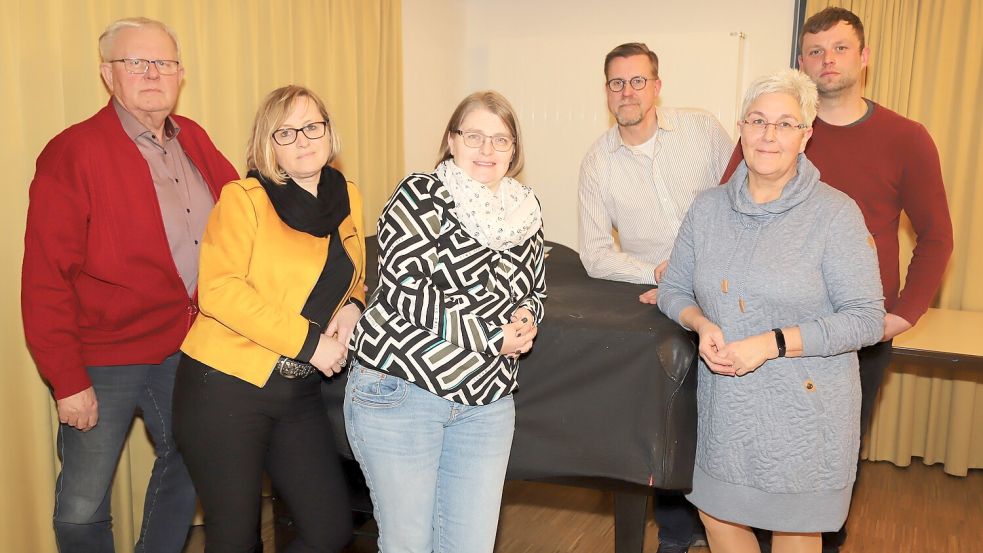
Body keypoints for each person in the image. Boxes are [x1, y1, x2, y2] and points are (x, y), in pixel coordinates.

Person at [720, 8, 954, 551]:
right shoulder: (774, 131)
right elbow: (725, 213)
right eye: (816, 51)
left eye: (840, 48)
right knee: (754, 454)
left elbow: (937, 236)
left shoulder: (906, 137)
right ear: (801, 61)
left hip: (853, 334)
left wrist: (903, 312)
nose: (827, 61)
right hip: (762, 331)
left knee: (828, 464)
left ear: (864, 56)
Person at [21, 17, 238, 553]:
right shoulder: (73, 152)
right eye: (134, 62)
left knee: (189, 465)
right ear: (107, 74)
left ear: (180, 74)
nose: (151, 73)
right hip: (101, 357)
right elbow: (45, 278)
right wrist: (67, 380)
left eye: (163, 62)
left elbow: (244, 213)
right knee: (82, 503)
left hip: (186, 347)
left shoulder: (196, 141)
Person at [658, 69, 885, 553]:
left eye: (785, 124)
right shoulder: (707, 208)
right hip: (726, 409)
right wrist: (700, 324)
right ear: (741, 128)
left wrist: (772, 343)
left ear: (806, 135)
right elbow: (673, 288)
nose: (768, 134)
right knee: (717, 519)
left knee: (795, 534)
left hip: (805, 412)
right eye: (758, 120)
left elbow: (865, 317)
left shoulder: (835, 214)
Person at [346, 91, 546, 553]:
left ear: (514, 150)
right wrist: (492, 335)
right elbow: (405, 290)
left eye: (500, 139)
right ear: (451, 141)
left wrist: (525, 317)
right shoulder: (420, 194)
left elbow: (535, 288)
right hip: (404, 391)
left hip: (488, 399)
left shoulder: (525, 208)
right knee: (408, 545)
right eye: (474, 135)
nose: (487, 150)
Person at [173, 85, 361, 552]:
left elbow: (351, 274)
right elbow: (219, 291)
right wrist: (311, 342)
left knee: (330, 532)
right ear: (267, 143)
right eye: (286, 131)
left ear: (328, 132)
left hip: (297, 393)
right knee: (235, 539)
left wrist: (354, 307)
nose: (302, 139)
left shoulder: (348, 196)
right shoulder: (246, 198)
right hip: (225, 387)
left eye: (312, 126)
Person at [577, 41, 732, 552]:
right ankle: (676, 533)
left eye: (638, 80)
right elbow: (597, 255)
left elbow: (739, 196)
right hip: (660, 300)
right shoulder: (598, 161)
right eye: (617, 83)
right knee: (672, 416)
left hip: (727, 287)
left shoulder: (703, 130)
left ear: (657, 86)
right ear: (606, 92)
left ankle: (736, 524)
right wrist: (660, 272)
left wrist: (697, 266)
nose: (628, 92)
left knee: (729, 416)